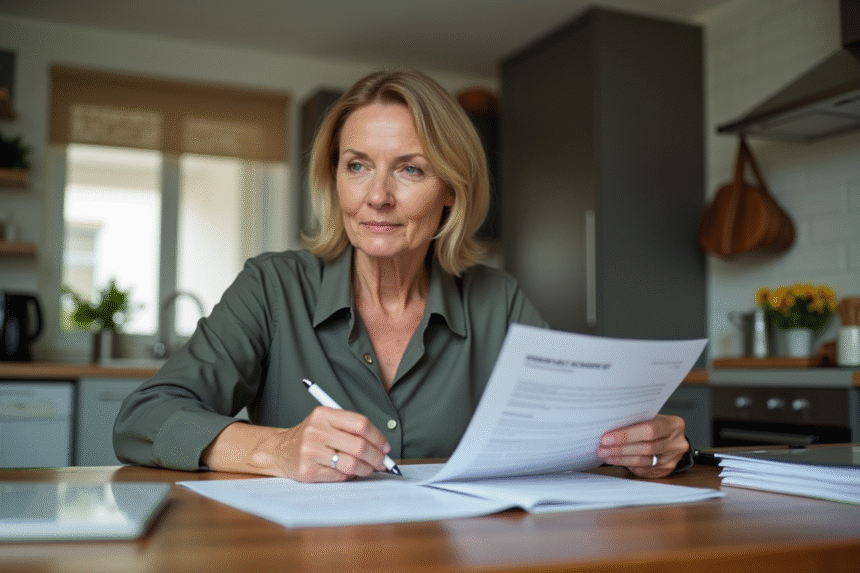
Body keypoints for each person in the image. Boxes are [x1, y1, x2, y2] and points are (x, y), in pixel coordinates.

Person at [114, 70, 692, 482]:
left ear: (450, 192)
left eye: (410, 170)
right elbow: (143, 418)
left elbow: (577, 437)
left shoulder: (497, 300)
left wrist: (646, 447)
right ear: (333, 179)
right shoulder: (272, 287)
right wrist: (277, 449)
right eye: (357, 166)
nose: (377, 197)